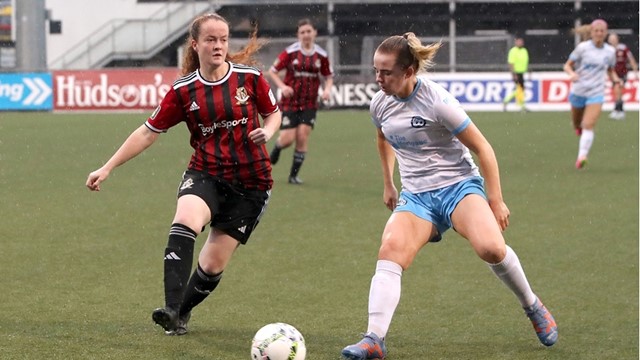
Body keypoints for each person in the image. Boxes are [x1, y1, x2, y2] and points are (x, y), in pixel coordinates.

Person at [340, 32, 558, 360]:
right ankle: (374, 340)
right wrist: (389, 183)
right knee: (390, 251)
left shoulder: (437, 101)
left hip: (458, 187)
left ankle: (532, 305)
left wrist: (495, 199)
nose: (378, 79)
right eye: (376, 71)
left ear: (409, 71)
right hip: (416, 196)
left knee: (491, 247)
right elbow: (383, 138)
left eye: (386, 72)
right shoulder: (379, 104)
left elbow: (483, 147)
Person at [86, 13, 281, 335]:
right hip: (207, 172)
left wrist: (269, 132)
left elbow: (273, 113)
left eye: (223, 39)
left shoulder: (250, 78)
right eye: (210, 40)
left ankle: (182, 312)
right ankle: (171, 307)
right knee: (185, 219)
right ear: (195, 44)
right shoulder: (183, 91)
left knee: (212, 265)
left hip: (252, 183)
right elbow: (148, 132)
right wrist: (107, 167)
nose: (218, 45)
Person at [268, 18, 334, 184]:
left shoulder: (321, 55)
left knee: (303, 135)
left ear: (314, 33)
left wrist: (327, 89)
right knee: (287, 139)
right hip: (290, 102)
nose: (306, 35)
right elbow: (272, 71)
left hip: (310, 103)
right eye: (302, 32)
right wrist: (283, 87)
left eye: (308, 31)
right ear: (298, 35)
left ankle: (293, 176)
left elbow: (328, 76)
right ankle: (277, 147)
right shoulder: (290, 52)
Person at [563, 19, 621, 169]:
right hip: (579, 90)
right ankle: (578, 128)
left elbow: (610, 70)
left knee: (588, 124)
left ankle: (582, 156)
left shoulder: (610, 51)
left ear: (606, 33)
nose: (599, 33)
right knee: (577, 124)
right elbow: (567, 65)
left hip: (596, 91)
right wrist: (571, 74)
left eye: (602, 31)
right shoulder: (583, 48)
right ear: (592, 32)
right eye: (597, 31)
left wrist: (615, 80)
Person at [607, 33, 638, 120]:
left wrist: (635, 70)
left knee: (618, 90)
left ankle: (618, 110)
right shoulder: (607, 49)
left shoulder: (623, 48)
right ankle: (619, 110)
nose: (612, 40)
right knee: (617, 92)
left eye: (614, 38)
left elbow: (631, 59)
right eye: (611, 39)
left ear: (617, 39)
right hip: (612, 73)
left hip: (622, 73)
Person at [502, 37, 530, 112]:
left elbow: (526, 62)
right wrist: (514, 74)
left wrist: (529, 71)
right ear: (516, 42)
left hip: (522, 73)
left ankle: (508, 101)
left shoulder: (524, 50)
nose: (520, 43)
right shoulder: (513, 51)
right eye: (519, 41)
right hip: (517, 73)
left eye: (521, 41)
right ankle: (521, 105)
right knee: (520, 89)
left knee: (520, 89)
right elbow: (511, 63)